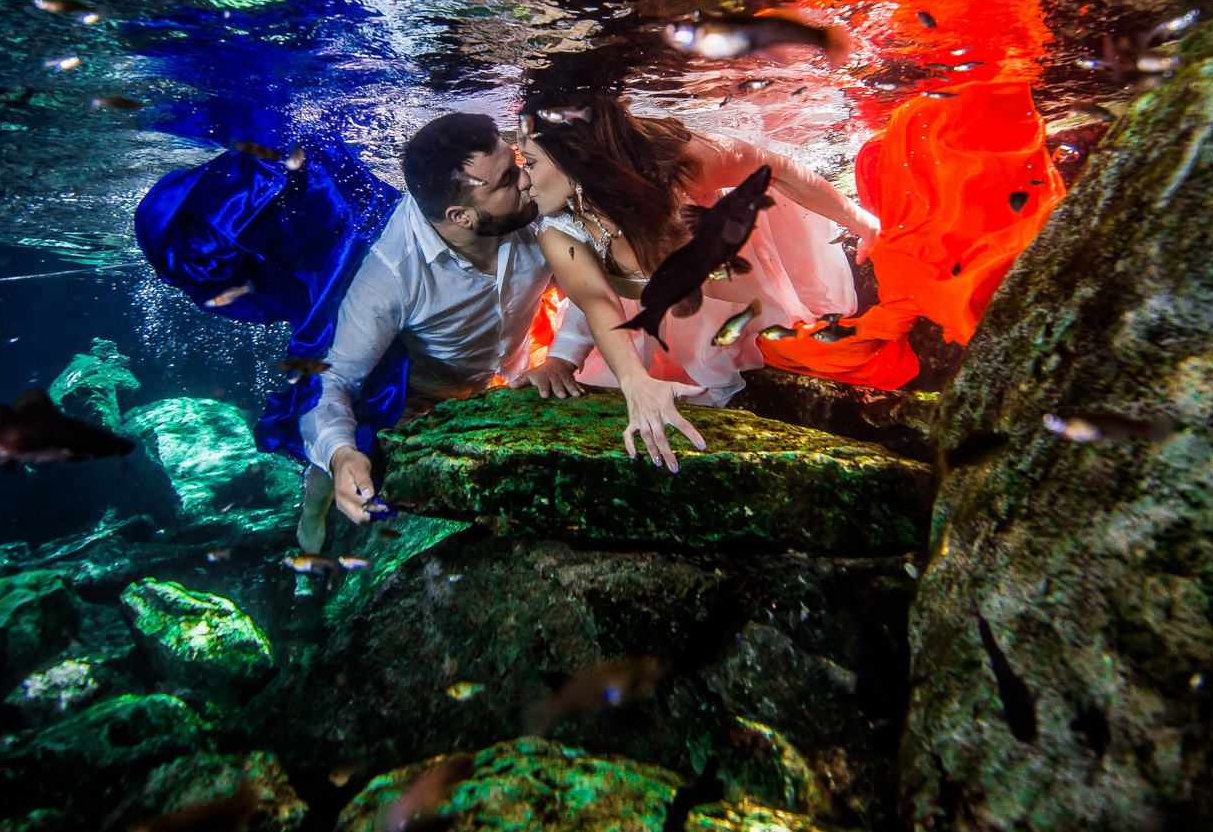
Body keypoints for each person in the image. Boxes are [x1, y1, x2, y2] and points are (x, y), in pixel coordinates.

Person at [519, 96, 879, 471]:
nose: (522, 181)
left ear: (576, 161)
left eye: (529, 162)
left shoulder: (682, 164)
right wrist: (632, 381)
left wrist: (863, 224)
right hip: (643, 303)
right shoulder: (556, 228)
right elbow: (595, 299)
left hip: (725, 267)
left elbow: (782, 170)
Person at [295, 113, 595, 549]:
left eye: (517, 164)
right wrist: (341, 453)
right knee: (338, 463)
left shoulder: (534, 205)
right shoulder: (390, 273)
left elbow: (597, 284)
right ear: (461, 216)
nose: (528, 181)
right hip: (414, 401)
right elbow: (333, 378)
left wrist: (562, 356)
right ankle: (312, 507)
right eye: (508, 180)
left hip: (512, 377)